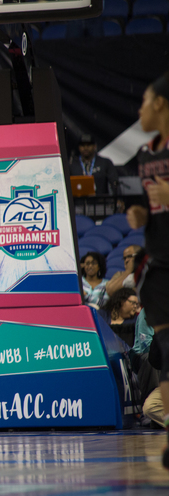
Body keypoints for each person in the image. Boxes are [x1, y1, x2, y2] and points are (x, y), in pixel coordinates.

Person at [127, 72, 169, 469]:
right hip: (160, 258)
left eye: (143, 100)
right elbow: (149, 208)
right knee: (165, 349)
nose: (138, 109)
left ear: (160, 104)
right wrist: (140, 213)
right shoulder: (146, 155)